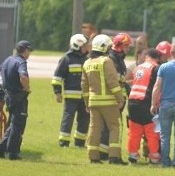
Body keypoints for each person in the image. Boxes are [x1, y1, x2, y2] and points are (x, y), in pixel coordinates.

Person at [82, 34, 127, 165]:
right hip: (108, 101)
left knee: (94, 128)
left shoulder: (87, 63)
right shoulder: (106, 61)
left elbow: (84, 86)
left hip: (93, 101)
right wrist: (120, 99)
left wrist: (86, 103)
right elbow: (112, 82)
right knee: (114, 127)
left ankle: (93, 157)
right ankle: (114, 157)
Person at [0, 40, 33, 160]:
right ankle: (12, 152)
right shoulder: (21, 62)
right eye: (29, 51)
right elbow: (23, 77)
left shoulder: (8, 59)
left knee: (13, 123)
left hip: (8, 95)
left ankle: (1, 149)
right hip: (18, 96)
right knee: (18, 124)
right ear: (25, 50)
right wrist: (27, 88)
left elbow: (1, 69)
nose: (29, 53)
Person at [52, 33, 90, 148]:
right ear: (77, 46)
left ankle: (79, 142)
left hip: (84, 97)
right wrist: (57, 92)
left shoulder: (87, 59)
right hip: (71, 97)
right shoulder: (66, 59)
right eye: (84, 46)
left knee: (84, 119)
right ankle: (64, 142)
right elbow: (57, 77)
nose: (86, 48)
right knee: (68, 118)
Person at [126, 48, 161, 164]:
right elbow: (158, 87)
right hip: (146, 102)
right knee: (151, 131)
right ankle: (154, 157)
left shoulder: (137, 68)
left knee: (134, 131)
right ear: (156, 58)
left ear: (146, 56)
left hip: (132, 103)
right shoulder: (156, 68)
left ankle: (132, 156)